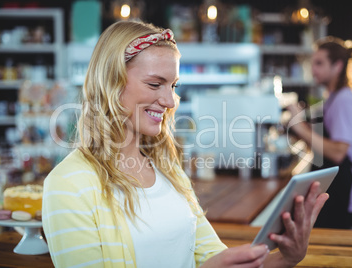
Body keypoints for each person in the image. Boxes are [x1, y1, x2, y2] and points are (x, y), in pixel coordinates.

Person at [42, 20, 328, 268]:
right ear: (111, 84)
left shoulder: (168, 170)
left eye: (173, 86)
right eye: (155, 85)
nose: (169, 101)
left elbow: (215, 257)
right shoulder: (68, 184)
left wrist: (286, 259)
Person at [287, 36, 352, 229]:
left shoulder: (344, 100)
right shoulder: (333, 98)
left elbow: (339, 152)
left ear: (337, 66)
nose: (313, 69)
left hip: (340, 189)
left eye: (319, 63)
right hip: (332, 185)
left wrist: (300, 126)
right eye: (313, 63)